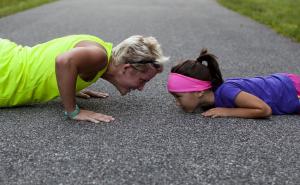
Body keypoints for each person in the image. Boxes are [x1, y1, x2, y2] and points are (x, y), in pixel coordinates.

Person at [0, 34, 168, 123]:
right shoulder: (99, 56)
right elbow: (64, 61)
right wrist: (72, 110)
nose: (141, 88)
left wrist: (69, 86)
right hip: (6, 73)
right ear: (127, 68)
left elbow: (59, 62)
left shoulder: (99, 52)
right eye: (143, 80)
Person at [167, 48, 300, 119]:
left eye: (178, 96)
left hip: (292, 89)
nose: (177, 103)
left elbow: (264, 110)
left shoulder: (226, 91)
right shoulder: (210, 100)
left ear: (199, 91)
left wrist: (227, 111)